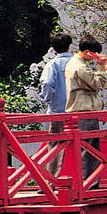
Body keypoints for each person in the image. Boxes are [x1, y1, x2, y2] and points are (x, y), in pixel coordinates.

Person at [65, 34, 107, 184]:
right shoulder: (80, 67)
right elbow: (98, 83)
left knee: (86, 148)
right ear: (88, 52)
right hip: (83, 110)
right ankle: (89, 182)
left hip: (79, 110)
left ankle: (87, 181)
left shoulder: (74, 63)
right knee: (89, 149)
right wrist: (102, 67)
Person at [39, 33, 73, 174]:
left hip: (58, 110)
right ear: (69, 46)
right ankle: (81, 181)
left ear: (53, 48)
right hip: (76, 111)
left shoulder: (52, 64)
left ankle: (52, 180)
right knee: (81, 146)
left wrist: (47, 98)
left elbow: (46, 82)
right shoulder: (75, 63)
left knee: (55, 146)